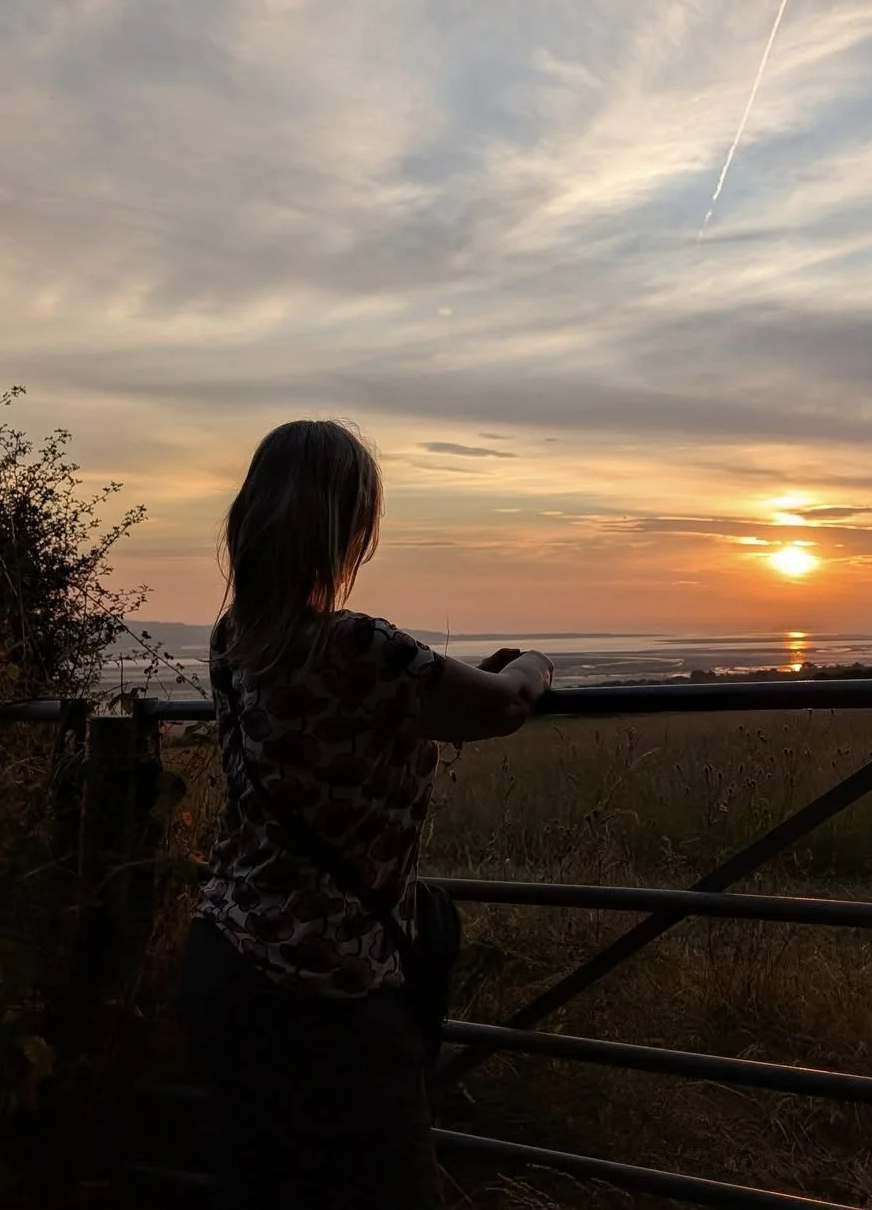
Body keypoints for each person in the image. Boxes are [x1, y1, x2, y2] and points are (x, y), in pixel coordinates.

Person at [176, 418, 553, 1209]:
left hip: (225, 964)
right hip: (332, 991)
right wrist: (533, 662)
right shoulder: (359, 647)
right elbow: (502, 709)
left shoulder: (231, 639)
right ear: (349, 528)